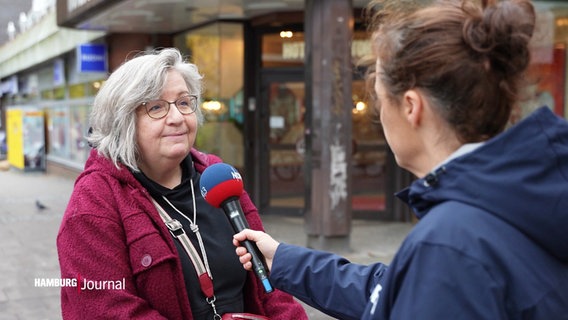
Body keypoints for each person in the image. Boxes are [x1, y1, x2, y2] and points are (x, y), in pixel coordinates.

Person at [233, 0, 568, 319]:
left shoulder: (450, 242)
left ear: (411, 106)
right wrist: (285, 261)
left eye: (380, 100)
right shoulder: (518, 197)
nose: (379, 116)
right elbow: (394, 290)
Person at [57, 48, 308, 320]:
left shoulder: (217, 176)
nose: (177, 117)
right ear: (124, 121)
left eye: (184, 103)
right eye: (156, 107)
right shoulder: (93, 202)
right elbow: (106, 310)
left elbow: (270, 285)